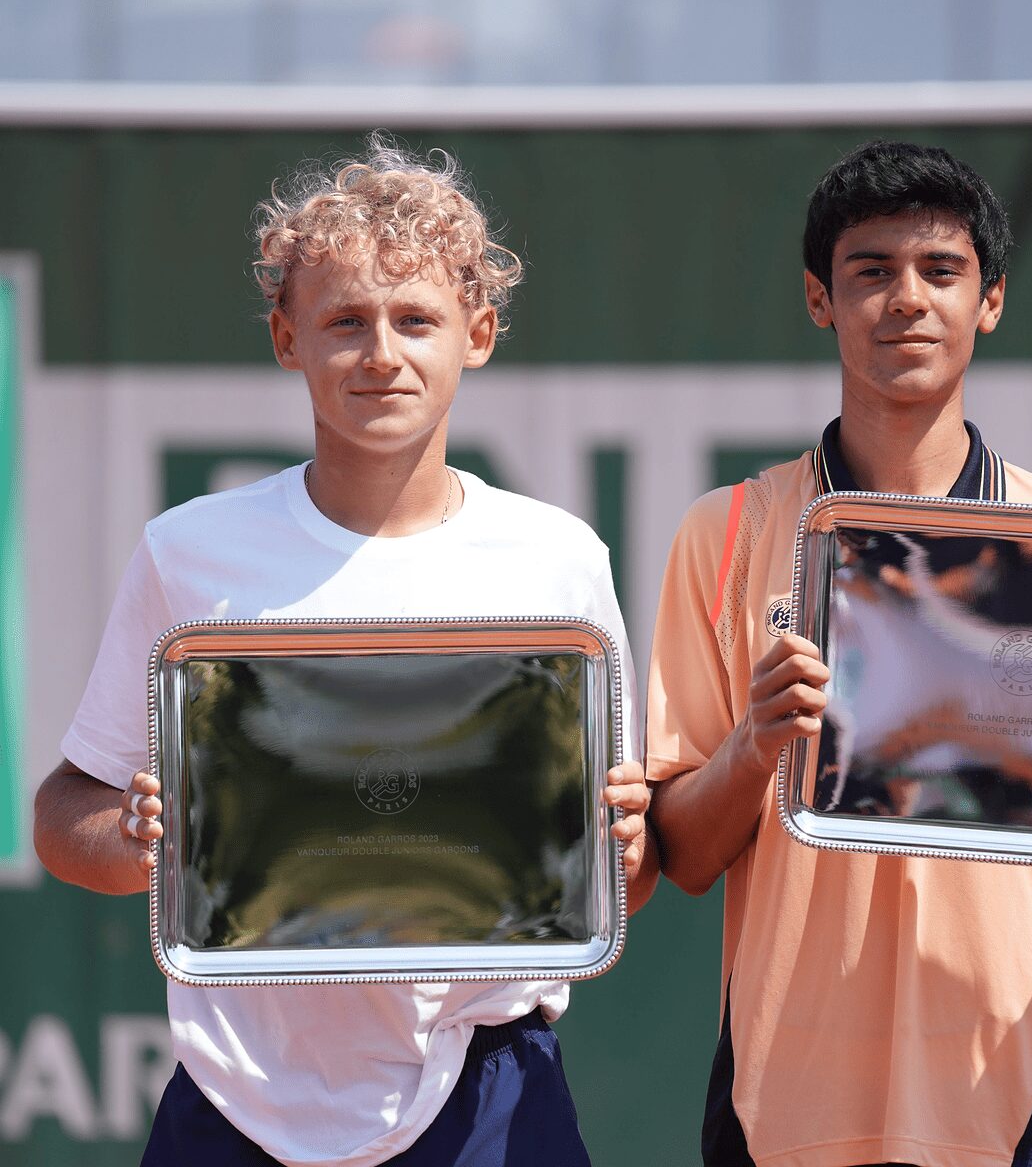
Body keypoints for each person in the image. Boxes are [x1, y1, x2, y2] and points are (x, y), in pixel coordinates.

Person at [33, 136, 656, 1167]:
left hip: (492, 1085)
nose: (381, 354)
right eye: (345, 322)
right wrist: (144, 836)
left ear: (480, 333)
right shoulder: (189, 553)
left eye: (416, 320)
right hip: (235, 1095)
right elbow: (67, 820)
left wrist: (623, 845)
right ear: (287, 339)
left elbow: (612, 870)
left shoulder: (560, 561)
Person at [646, 140, 1032, 1167]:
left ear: (989, 301)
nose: (906, 299)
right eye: (872, 272)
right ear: (821, 299)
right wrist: (758, 742)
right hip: (791, 1093)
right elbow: (681, 854)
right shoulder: (727, 531)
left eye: (940, 272)